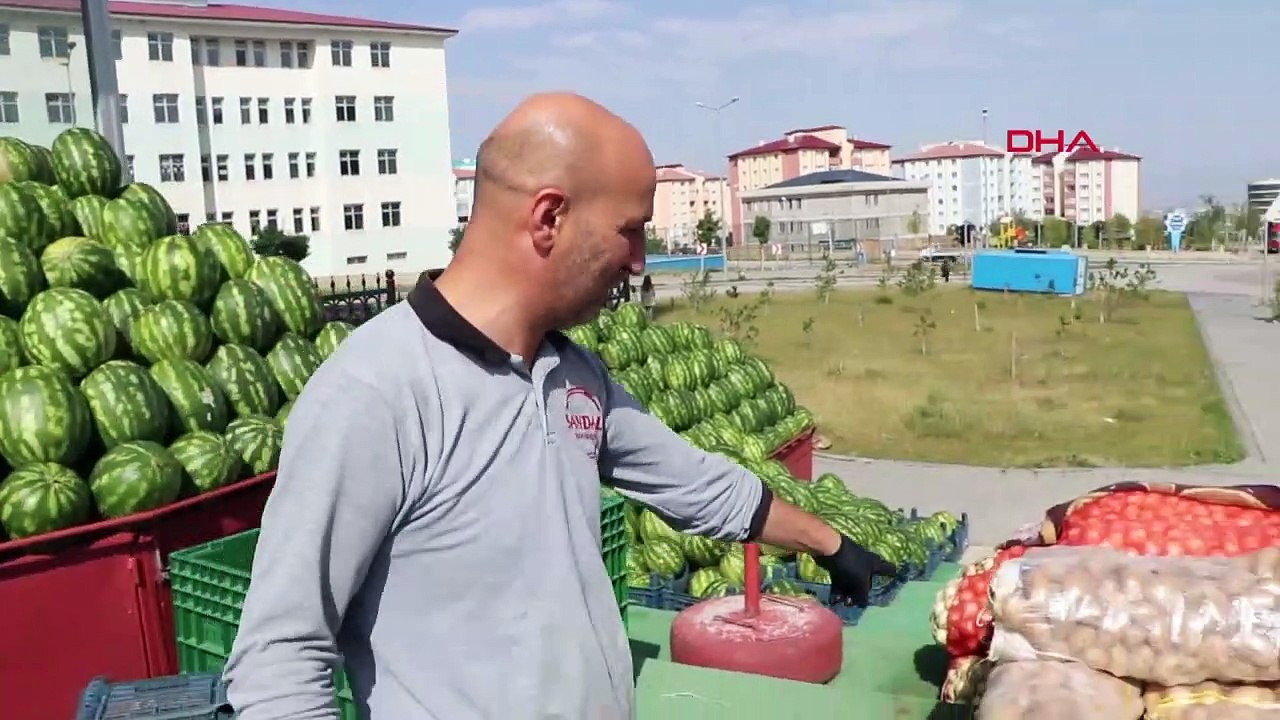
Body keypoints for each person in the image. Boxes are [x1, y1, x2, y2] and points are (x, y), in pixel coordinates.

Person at [221, 92, 894, 720]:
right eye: (629, 231)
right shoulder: (376, 391)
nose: (638, 261)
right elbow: (279, 658)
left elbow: (694, 484)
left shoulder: (573, 373)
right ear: (549, 218)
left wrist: (833, 545)